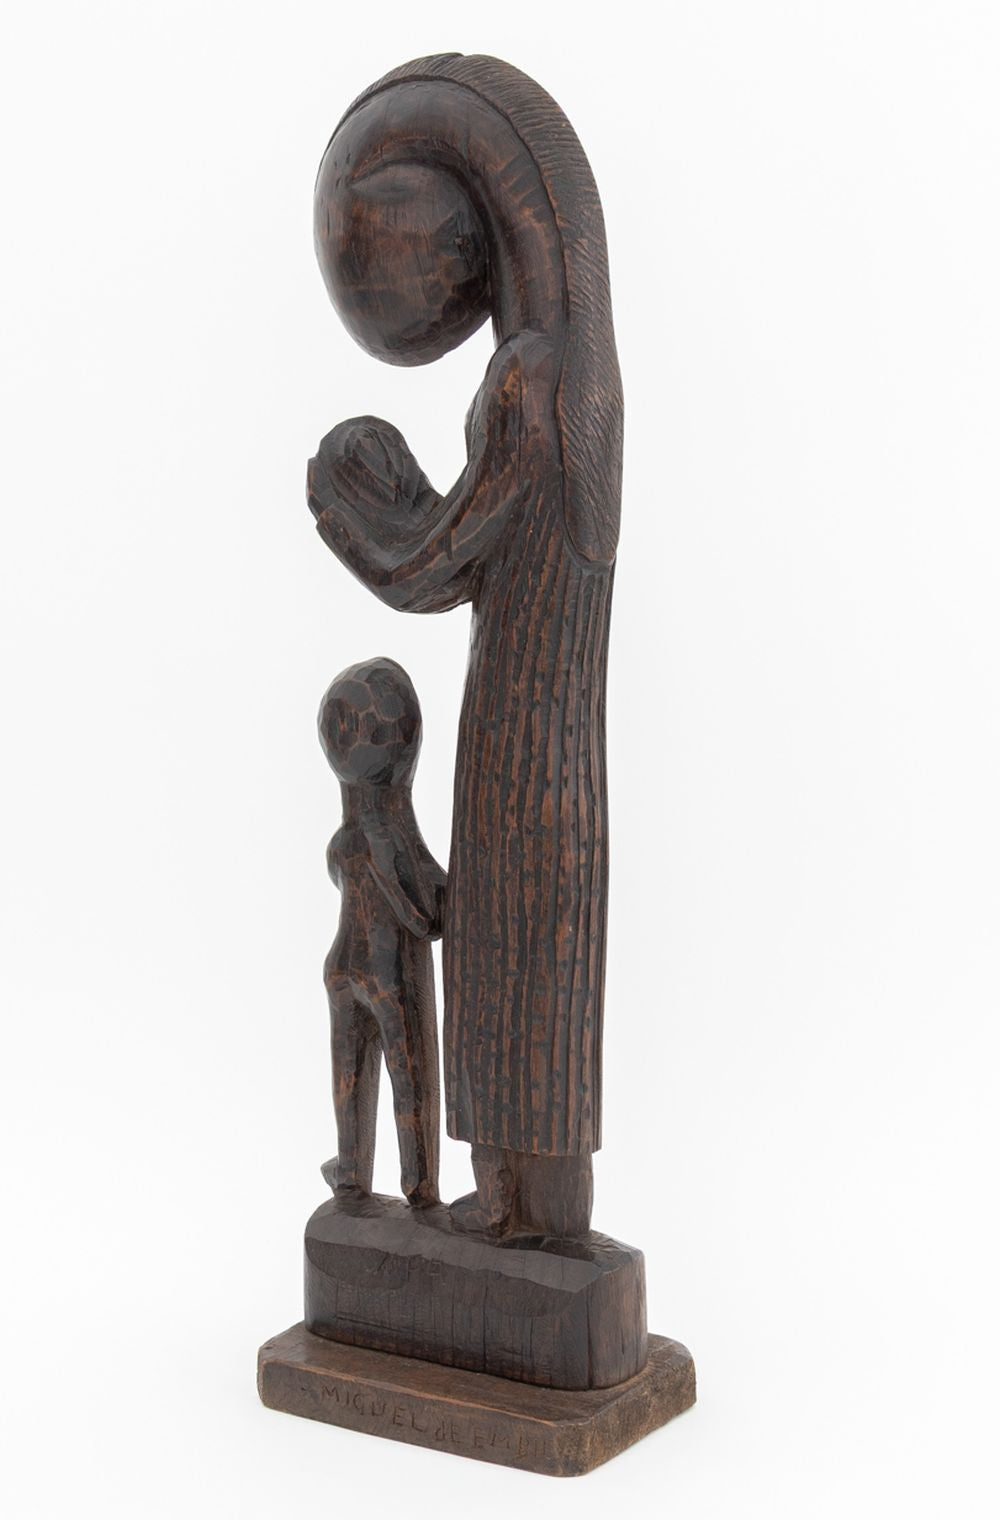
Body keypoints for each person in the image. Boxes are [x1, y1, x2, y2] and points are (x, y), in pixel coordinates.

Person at [317, 657, 446, 1206]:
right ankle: (419, 1183)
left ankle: (351, 1169)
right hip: (387, 977)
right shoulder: (385, 834)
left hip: (341, 969)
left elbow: (341, 875)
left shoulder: (345, 836)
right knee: (408, 1079)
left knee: (350, 1076)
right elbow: (424, 916)